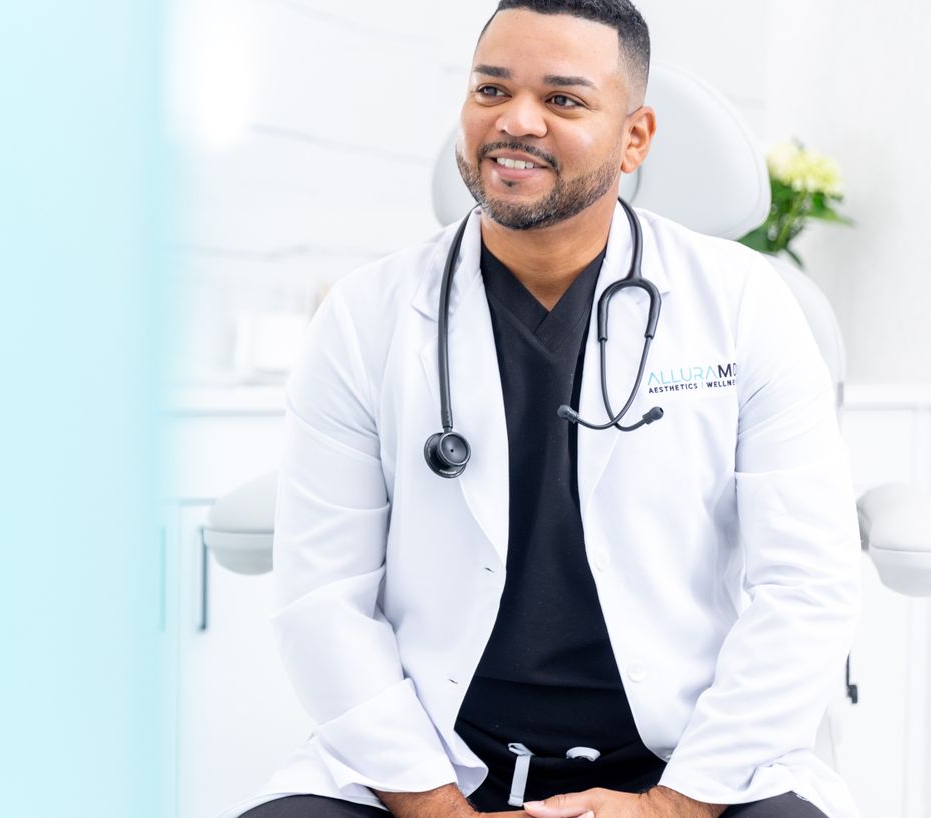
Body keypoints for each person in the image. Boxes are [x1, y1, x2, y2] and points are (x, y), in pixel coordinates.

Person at [219, 2, 862, 818]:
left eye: (563, 100)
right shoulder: (366, 313)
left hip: (689, 759)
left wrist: (672, 806)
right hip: (430, 759)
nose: (515, 121)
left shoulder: (742, 305)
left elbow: (806, 588)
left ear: (635, 138)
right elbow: (323, 597)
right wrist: (433, 805)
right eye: (492, 89)